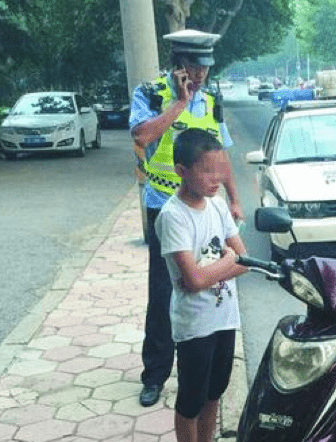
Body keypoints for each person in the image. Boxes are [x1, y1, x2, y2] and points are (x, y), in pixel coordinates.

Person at [130, 29, 243, 408]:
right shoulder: (149, 93)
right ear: (178, 65)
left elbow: (220, 155)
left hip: (207, 206)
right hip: (165, 203)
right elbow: (142, 137)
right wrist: (179, 103)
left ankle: (199, 360)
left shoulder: (213, 98)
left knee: (209, 282)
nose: (200, 76)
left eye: (205, 68)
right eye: (193, 67)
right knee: (164, 290)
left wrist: (234, 199)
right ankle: (156, 374)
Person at [156, 128, 247, 442]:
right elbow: (192, 281)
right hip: (194, 326)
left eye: (220, 170)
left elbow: (242, 258)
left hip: (224, 317)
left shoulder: (218, 206)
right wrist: (227, 262)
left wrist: (226, 263)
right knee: (191, 399)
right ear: (182, 170)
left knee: (215, 390)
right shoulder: (172, 216)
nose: (217, 179)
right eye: (208, 171)